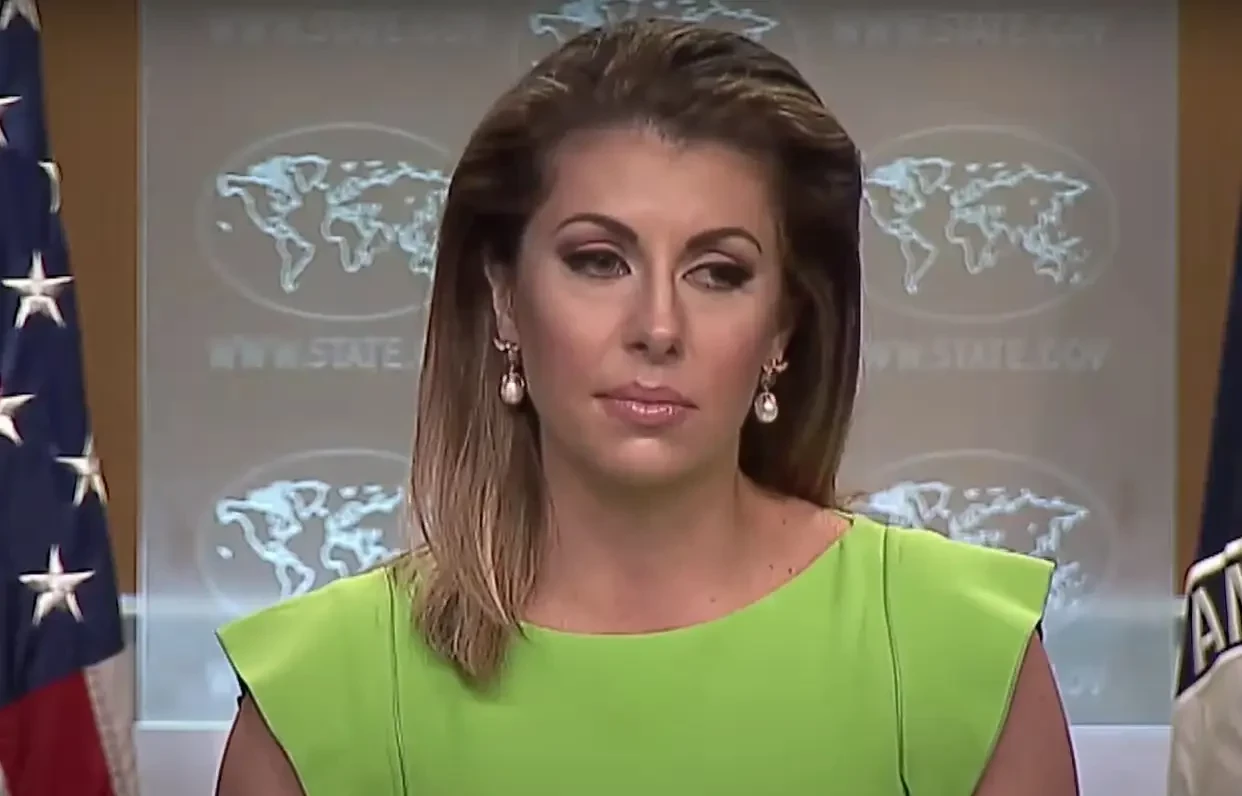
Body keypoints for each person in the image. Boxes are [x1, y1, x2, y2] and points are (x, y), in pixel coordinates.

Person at [213, 18, 1078, 796]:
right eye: (599, 261)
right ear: (505, 299)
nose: (659, 328)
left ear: (782, 327)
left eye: (718, 272)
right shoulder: (323, 698)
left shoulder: (956, 654)